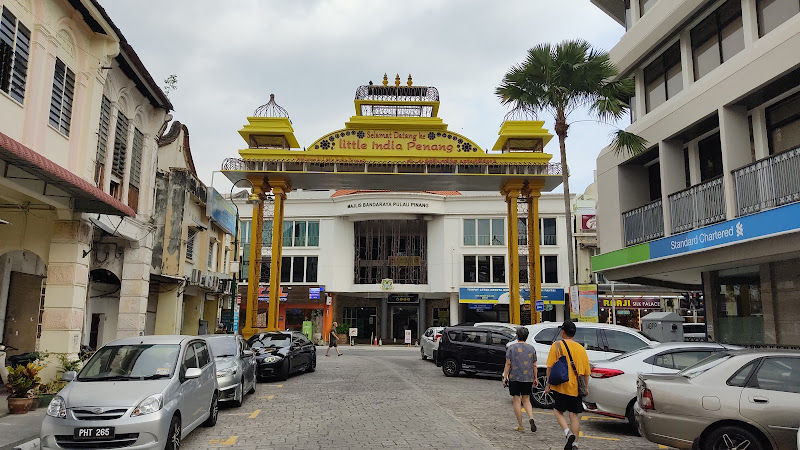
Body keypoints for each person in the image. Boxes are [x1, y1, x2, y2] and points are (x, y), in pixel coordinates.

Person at [545, 320, 590, 450]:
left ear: (563, 332)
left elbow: (549, 367)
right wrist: (585, 387)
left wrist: (548, 384)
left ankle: (567, 432)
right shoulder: (581, 349)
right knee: (574, 415)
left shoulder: (557, 345)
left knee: (557, 410)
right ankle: (575, 444)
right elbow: (586, 372)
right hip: (576, 388)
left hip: (560, 386)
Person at [502, 327, 538, 432]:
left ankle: (520, 425)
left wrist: (505, 377)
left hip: (515, 378)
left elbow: (508, 364)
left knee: (516, 400)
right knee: (526, 400)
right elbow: (534, 365)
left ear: (517, 336)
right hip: (528, 378)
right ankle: (531, 417)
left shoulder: (511, 348)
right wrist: (535, 378)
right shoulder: (532, 348)